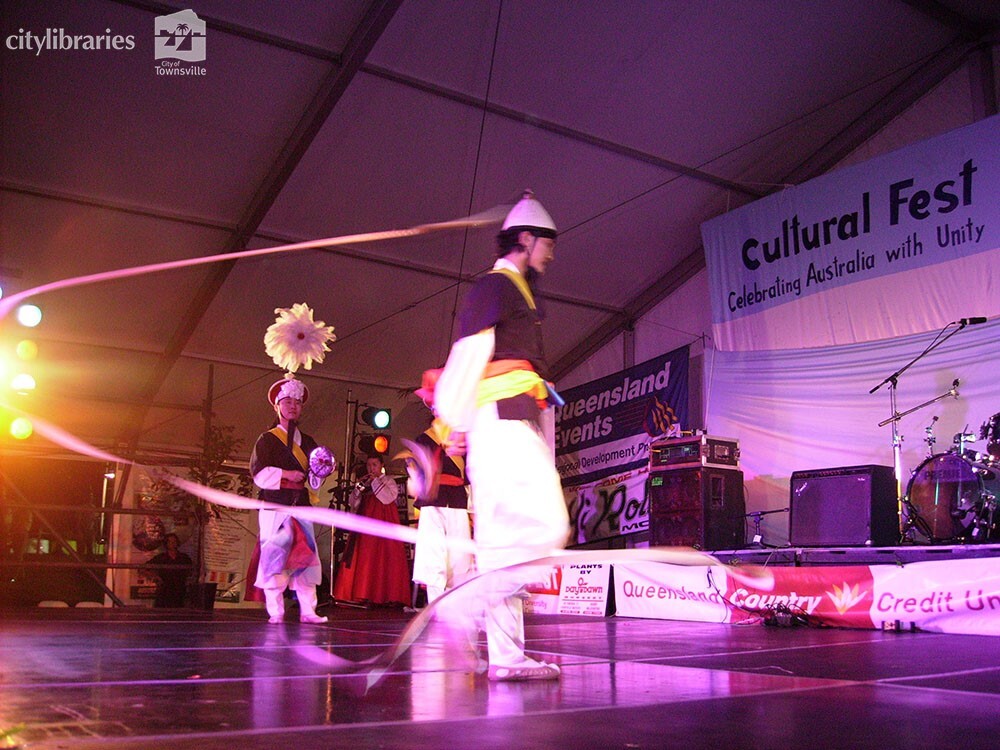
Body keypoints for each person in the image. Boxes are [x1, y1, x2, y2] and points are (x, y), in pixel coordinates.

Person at [433, 189, 570, 681]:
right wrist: (453, 421)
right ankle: (460, 608)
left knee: (500, 546)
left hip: (507, 422)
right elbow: (469, 353)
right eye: (547, 244)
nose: (551, 254)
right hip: (502, 425)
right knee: (548, 528)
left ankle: (507, 658)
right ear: (527, 239)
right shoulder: (496, 286)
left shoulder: (519, 293)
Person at [250, 376, 329, 624]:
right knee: (275, 555)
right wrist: (286, 474)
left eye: (297, 402)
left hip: (300, 503)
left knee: (306, 555)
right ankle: (276, 611)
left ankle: (308, 610)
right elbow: (258, 474)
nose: (292, 406)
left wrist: (321, 472)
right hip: (275, 503)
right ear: (277, 406)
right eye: (287, 401)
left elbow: (315, 479)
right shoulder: (267, 439)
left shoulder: (308, 442)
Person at [408, 370, 474, 604]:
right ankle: (437, 606)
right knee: (434, 559)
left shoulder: (465, 438)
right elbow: (418, 476)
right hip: (433, 505)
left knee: (459, 560)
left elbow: (470, 473)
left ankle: (457, 606)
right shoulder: (424, 439)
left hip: (457, 502)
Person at [333, 453, 411, 606]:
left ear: (381, 465)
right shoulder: (366, 483)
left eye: (374, 465)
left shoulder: (389, 481)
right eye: (369, 465)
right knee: (365, 560)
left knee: (384, 559)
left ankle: (386, 596)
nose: (371, 468)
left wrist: (375, 481)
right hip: (366, 526)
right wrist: (357, 489)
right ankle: (363, 593)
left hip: (384, 525)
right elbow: (353, 504)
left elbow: (387, 498)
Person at [146, 533, 193, 608]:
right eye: (170, 542)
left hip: (179, 590)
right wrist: (155, 577)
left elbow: (192, 571)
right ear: (166, 543)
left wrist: (188, 580)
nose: (173, 544)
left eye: (174, 541)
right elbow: (146, 567)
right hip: (164, 590)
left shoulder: (184, 557)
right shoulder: (161, 557)